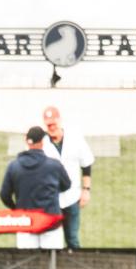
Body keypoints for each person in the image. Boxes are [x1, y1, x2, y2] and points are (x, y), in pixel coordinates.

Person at [0, 125, 71, 250]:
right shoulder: (54, 165)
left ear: (26, 141)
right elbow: (67, 185)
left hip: (25, 222)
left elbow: (4, 195)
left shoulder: (14, 166)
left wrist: (17, 208)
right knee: (52, 263)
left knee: (28, 265)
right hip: (51, 222)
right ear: (42, 142)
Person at [41, 105, 93, 252]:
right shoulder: (42, 143)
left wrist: (86, 190)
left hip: (72, 198)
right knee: (50, 241)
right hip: (50, 200)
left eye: (53, 123)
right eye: (48, 124)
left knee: (72, 239)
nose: (51, 127)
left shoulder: (75, 138)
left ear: (59, 120)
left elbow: (86, 163)